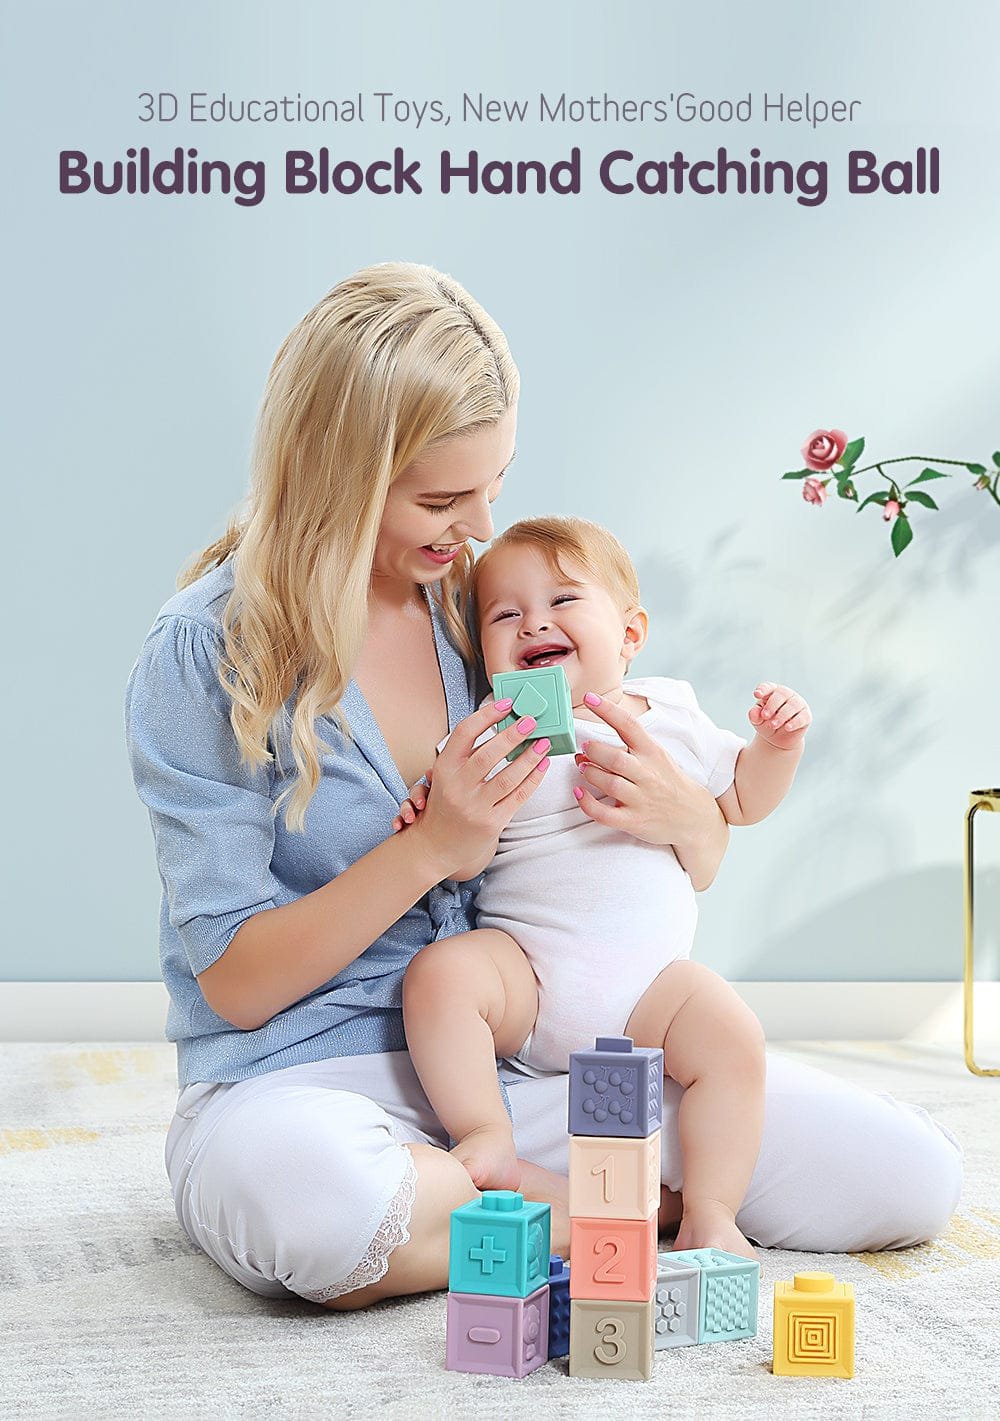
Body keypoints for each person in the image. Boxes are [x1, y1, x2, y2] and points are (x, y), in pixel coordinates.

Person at [124, 261, 962, 1312]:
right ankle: (584, 1212)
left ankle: (518, 1205)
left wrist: (690, 820)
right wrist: (426, 852)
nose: (475, 529)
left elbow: (667, 833)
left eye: (492, 485)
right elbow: (234, 983)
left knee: (906, 1178)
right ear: (336, 472)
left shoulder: (475, 611)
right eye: (440, 497)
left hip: (520, 1069)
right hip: (297, 1084)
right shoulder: (206, 650)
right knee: (317, 1206)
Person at [398, 516, 811, 1260]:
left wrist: (777, 746)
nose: (535, 623)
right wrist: (432, 811)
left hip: (650, 997)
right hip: (528, 979)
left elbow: (743, 798)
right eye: (505, 614)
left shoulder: (673, 713)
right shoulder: (491, 733)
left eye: (562, 600)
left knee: (733, 1035)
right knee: (441, 975)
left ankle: (710, 1211)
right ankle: (487, 1135)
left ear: (629, 633)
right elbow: (459, 859)